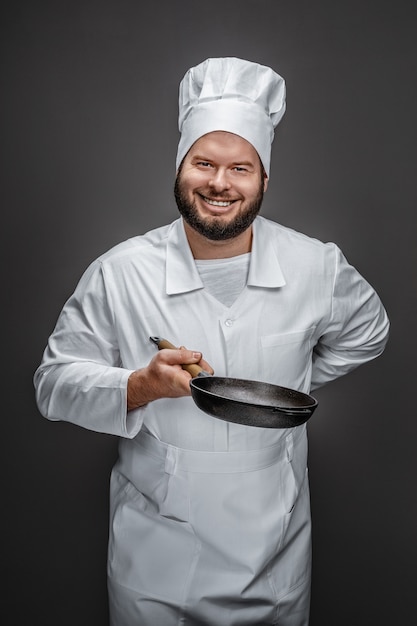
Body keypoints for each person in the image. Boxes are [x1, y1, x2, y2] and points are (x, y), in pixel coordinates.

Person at [34, 57, 389, 626]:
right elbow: (52, 385)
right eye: (204, 163)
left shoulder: (314, 265)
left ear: (264, 178)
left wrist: (283, 382)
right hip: (155, 564)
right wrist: (139, 386)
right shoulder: (122, 271)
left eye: (240, 168)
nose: (220, 184)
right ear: (180, 168)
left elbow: (368, 333)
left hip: (275, 556)